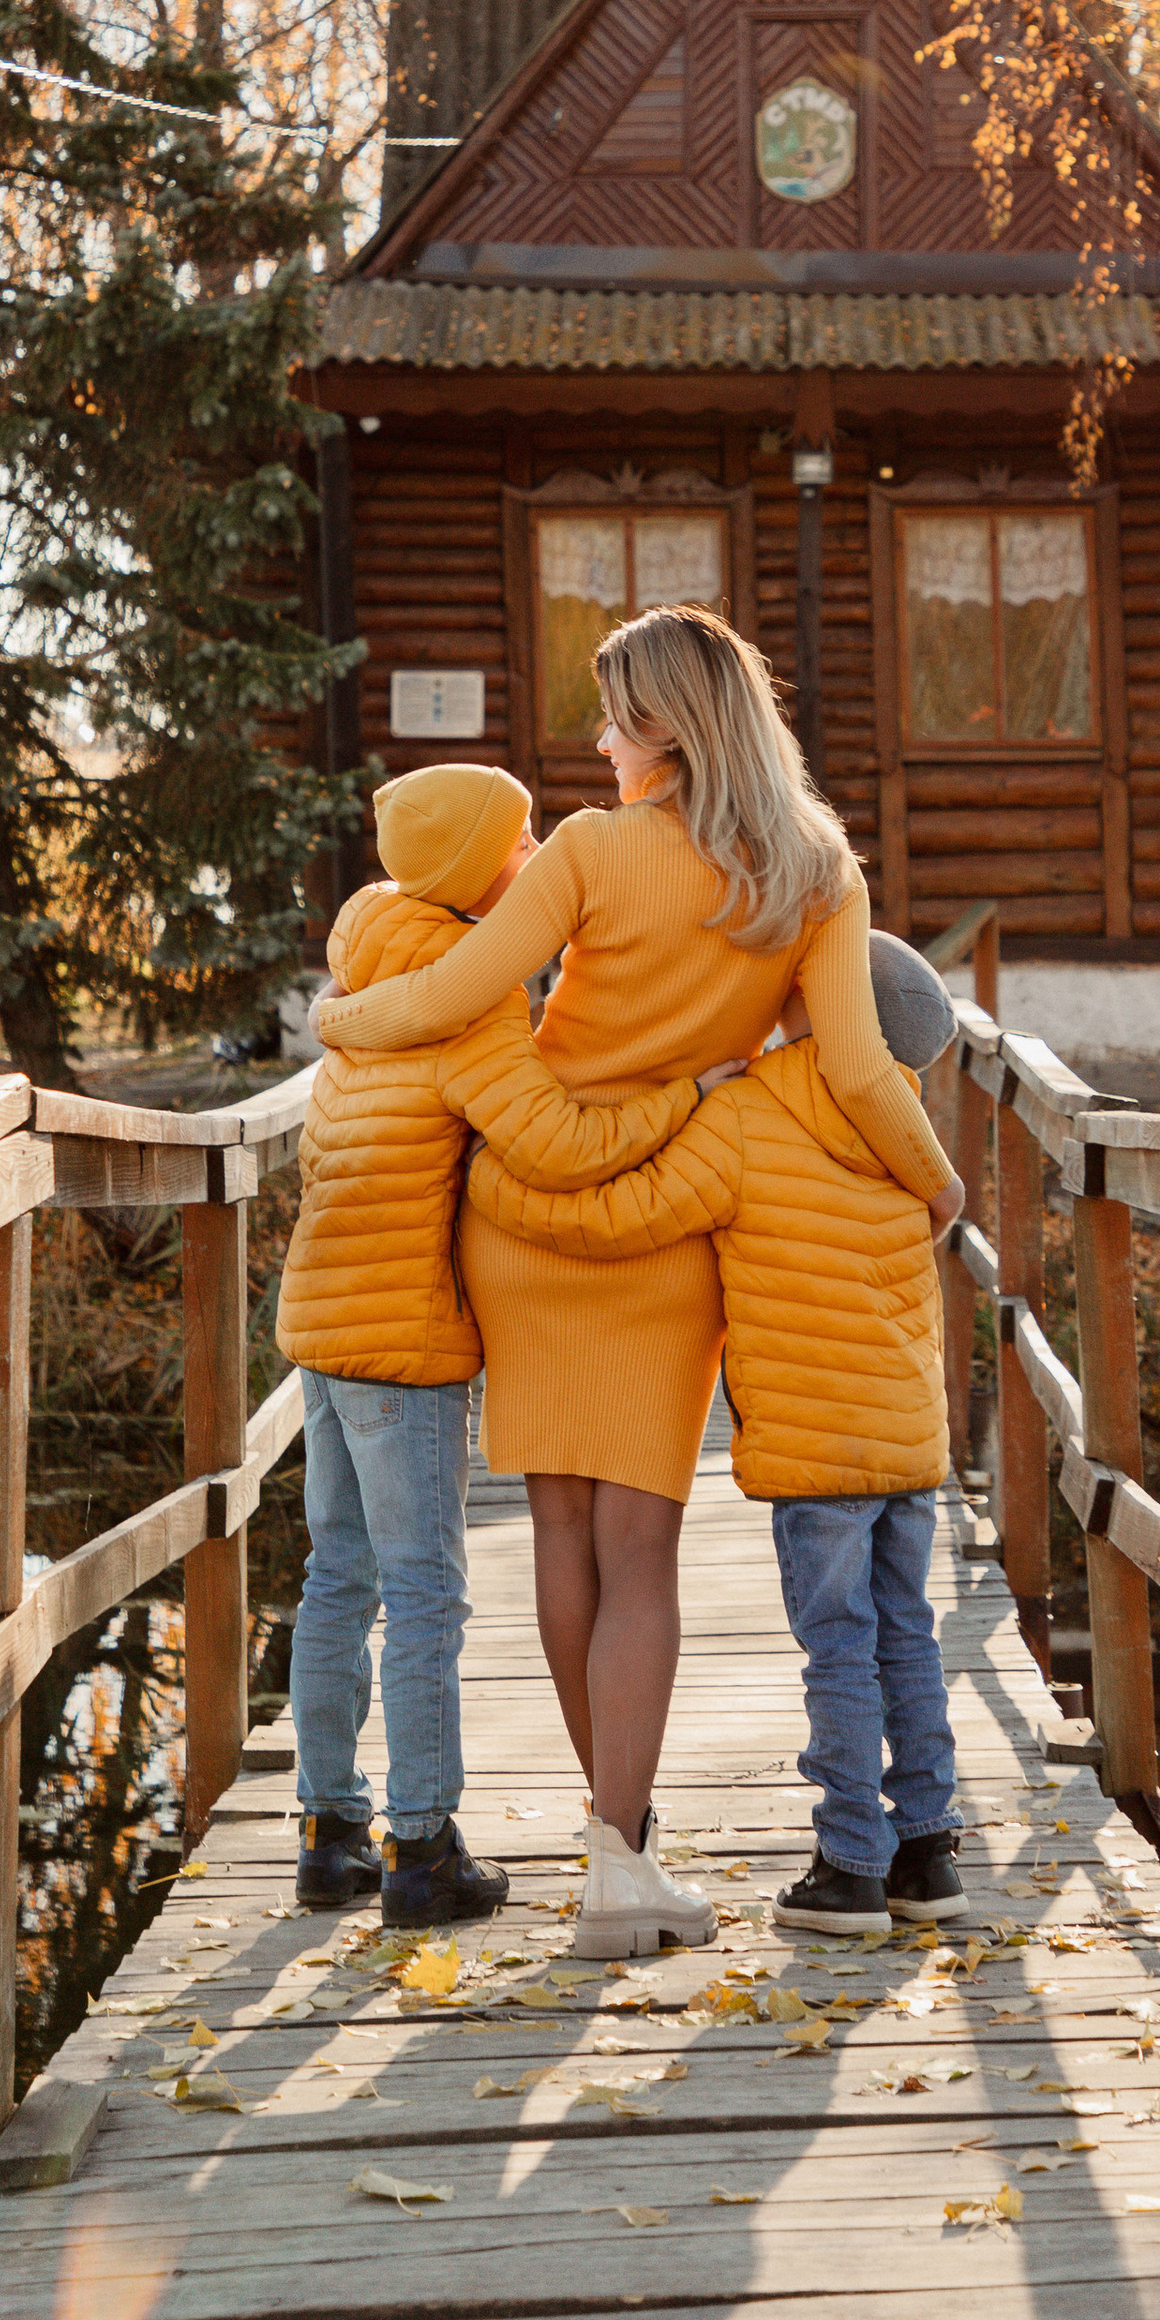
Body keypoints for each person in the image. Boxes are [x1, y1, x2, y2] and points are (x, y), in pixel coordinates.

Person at [314, 604, 960, 1955]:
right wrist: (936, 1179)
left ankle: (625, 1848)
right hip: (662, 1227)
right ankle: (618, 1855)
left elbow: (451, 993)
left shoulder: (595, 855)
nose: (600, 743)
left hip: (525, 1211)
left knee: (559, 1536)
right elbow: (852, 1068)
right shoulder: (812, 872)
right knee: (640, 1553)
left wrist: (337, 1019)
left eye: (612, 716)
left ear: (665, 726)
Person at [466, 933, 968, 1934]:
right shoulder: (905, 1129)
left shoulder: (748, 1109)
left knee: (838, 1648)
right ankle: (928, 1857)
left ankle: (850, 1867)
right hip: (908, 1440)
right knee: (905, 1638)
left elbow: (630, 1217)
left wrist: (495, 1186)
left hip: (815, 1447)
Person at [279, 761, 698, 1928]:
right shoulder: (465, 1000)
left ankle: (328, 1832)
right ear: (478, 874)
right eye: (517, 847)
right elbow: (556, 1142)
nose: (532, 864)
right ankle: (422, 1849)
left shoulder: (370, 970)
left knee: (336, 1579)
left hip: (319, 1325)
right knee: (421, 1594)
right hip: (403, 1338)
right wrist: (684, 1094)